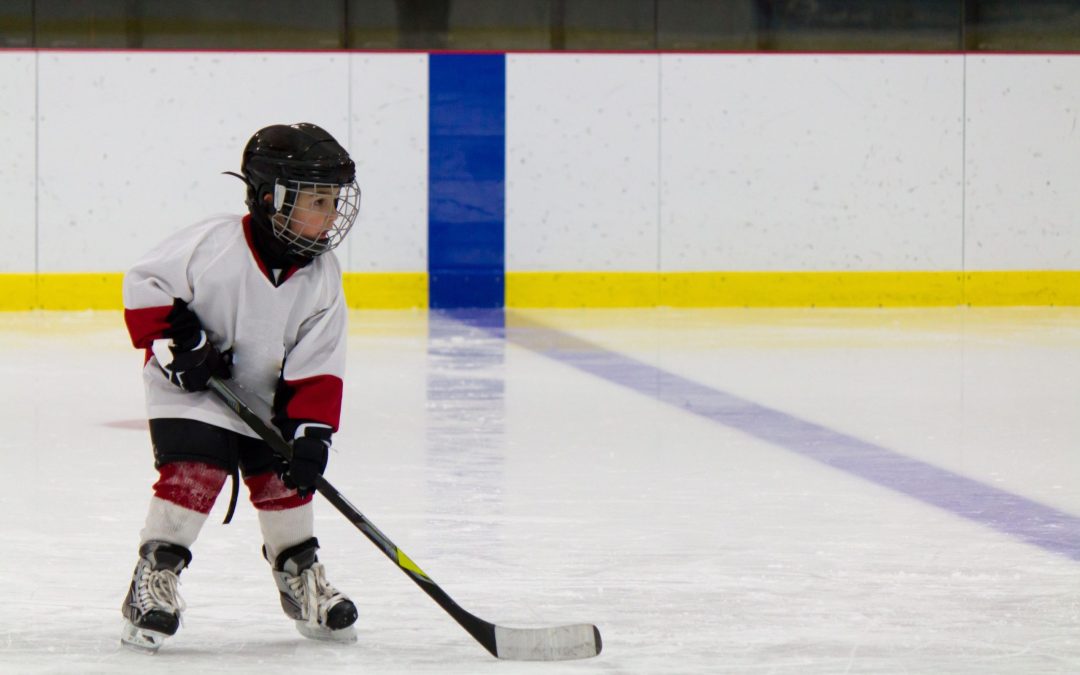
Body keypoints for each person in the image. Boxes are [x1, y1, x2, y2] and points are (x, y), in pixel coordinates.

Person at [119, 123, 362, 653]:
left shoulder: (323, 278)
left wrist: (311, 434)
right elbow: (144, 285)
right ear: (271, 198)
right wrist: (180, 345)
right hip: (192, 391)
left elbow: (317, 362)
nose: (330, 214)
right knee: (194, 472)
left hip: (265, 399)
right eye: (315, 200)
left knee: (286, 481)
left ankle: (299, 574)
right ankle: (153, 578)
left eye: (333, 199)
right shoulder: (214, 244)